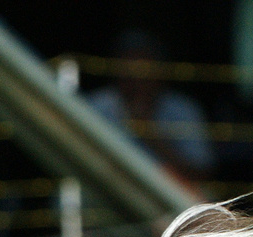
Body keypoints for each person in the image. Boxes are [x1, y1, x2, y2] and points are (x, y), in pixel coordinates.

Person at [85, 29, 215, 189]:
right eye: (129, 71)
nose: (136, 80)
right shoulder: (95, 107)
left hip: (167, 196)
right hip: (109, 191)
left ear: (160, 72)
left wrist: (150, 135)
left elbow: (202, 173)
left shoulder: (183, 109)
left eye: (143, 71)